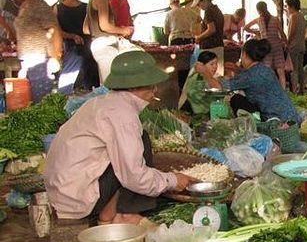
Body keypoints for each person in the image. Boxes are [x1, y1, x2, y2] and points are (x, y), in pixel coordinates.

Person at [44, 51, 196, 225]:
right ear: (132, 87)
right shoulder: (123, 114)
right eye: (150, 86)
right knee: (141, 143)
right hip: (77, 199)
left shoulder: (101, 103)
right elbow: (134, 176)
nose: (154, 90)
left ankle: (109, 211)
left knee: (135, 145)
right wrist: (172, 180)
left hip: (63, 193)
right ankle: (126, 213)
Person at [203, 39, 299, 122]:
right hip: (291, 116)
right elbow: (253, 77)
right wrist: (237, 69)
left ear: (244, 54)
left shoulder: (248, 76)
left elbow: (219, 86)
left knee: (236, 99)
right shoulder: (266, 69)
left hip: (276, 120)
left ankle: (253, 126)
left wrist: (204, 71)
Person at [14, 0, 63, 103]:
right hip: (27, 58)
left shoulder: (39, 5)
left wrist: (55, 57)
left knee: (40, 100)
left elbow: (54, 30)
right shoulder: (25, 5)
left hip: (40, 57)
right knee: (29, 99)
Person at [84, 0, 135, 84]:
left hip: (97, 43)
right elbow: (104, 26)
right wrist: (122, 30)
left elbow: (85, 29)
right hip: (105, 44)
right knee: (111, 84)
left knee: (106, 84)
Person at [54, 0, 99, 94]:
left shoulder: (57, 9)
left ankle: (64, 103)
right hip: (88, 46)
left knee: (67, 80)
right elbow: (91, 28)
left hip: (70, 47)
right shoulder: (86, 7)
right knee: (91, 81)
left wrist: (72, 36)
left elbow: (57, 31)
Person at [244, 2, 288, 90]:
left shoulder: (258, 20)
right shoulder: (275, 19)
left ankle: (266, 90)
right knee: (280, 71)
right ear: (266, 7)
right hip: (277, 46)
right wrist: (286, 42)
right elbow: (282, 34)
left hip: (265, 47)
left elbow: (245, 27)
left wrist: (255, 32)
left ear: (258, 10)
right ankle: (283, 92)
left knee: (266, 69)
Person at [192, 0, 224, 76]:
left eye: (199, 4)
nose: (199, 7)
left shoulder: (208, 11)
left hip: (210, 47)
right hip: (218, 45)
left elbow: (211, 29)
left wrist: (198, 37)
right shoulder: (217, 10)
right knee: (217, 74)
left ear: (205, 0)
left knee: (208, 75)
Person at [178, 50, 219, 115]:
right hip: (192, 113)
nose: (215, 67)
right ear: (202, 65)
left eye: (216, 64)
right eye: (212, 64)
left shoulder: (207, 76)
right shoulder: (197, 77)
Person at [285, 0, 306, 94]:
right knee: (300, 68)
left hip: (294, 46)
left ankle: (294, 91)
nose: (287, 9)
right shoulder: (301, 15)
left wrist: (287, 42)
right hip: (301, 45)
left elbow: (291, 32)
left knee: (294, 69)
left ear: (292, 6)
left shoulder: (293, 16)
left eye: (288, 6)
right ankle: (301, 89)